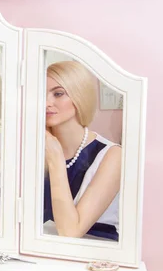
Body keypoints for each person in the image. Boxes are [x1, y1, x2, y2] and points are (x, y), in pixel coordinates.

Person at [43, 60, 121, 241]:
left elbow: (70, 232)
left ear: (80, 96)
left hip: (96, 253)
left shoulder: (112, 155)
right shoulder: (33, 149)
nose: (46, 102)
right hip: (44, 250)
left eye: (58, 93)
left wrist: (55, 158)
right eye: (41, 94)